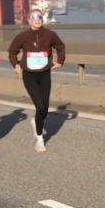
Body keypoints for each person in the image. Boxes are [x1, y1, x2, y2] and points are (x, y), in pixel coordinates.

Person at [7, 8, 66, 153]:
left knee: (44, 108)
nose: (37, 19)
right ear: (29, 20)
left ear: (42, 19)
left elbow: (61, 47)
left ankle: (36, 121)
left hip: (45, 73)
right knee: (40, 107)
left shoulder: (50, 35)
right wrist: (15, 64)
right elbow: (12, 51)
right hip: (29, 75)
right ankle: (40, 139)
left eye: (39, 17)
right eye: (34, 17)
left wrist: (60, 61)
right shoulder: (22, 36)